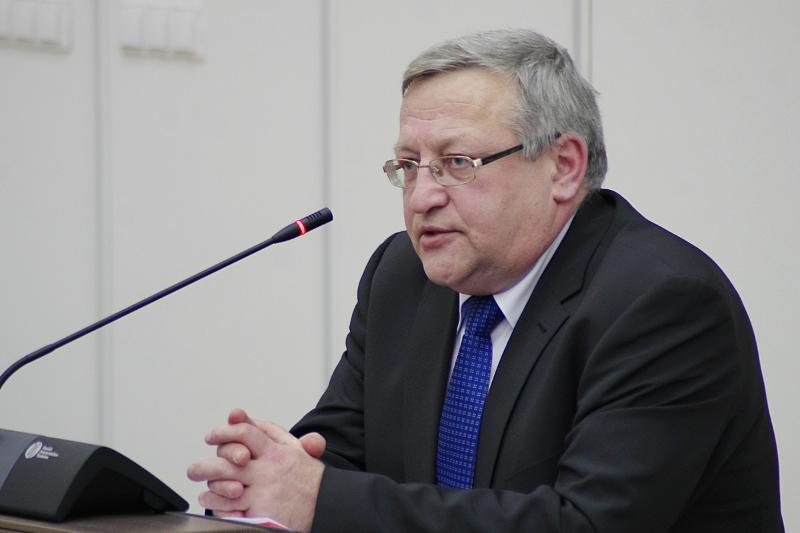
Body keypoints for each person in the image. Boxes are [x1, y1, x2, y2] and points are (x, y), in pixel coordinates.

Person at [187, 29, 783, 532]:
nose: (421, 197)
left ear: (563, 167)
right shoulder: (402, 276)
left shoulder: (662, 304)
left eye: (457, 163)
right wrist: (265, 474)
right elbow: (340, 450)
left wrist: (319, 498)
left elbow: (585, 524)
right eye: (408, 166)